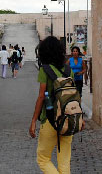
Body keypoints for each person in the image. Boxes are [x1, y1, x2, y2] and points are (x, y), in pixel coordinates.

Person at [29, 36, 74, 174]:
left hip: (50, 118)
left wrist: (33, 121)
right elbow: (73, 95)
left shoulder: (45, 70)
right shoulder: (68, 70)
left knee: (43, 158)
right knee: (64, 159)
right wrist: (80, 117)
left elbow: (42, 96)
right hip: (68, 118)